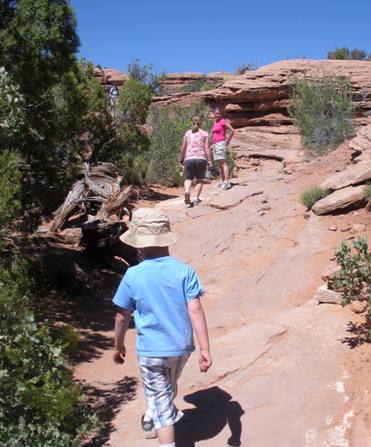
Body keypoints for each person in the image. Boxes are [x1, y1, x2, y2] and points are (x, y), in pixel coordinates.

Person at [112, 208, 212, 446]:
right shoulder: (184, 271)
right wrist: (205, 348)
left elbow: (121, 317)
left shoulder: (133, 275)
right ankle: (151, 416)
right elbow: (195, 309)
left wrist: (118, 346)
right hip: (181, 347)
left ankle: (161, 430)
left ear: (139, 245)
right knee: (167, 386)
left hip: (151, 350)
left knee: (162, 403)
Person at [179, 116, 211, 207]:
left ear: (192, 122)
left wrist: (181, 158)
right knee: (199, 179)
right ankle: (196, 198)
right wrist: (209, 160)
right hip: (201, 159)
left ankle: (187, 191)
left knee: (188, 178)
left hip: (189, 158)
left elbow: (183, 147)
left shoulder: (188, 133)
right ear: (200, 123)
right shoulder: (205, 134)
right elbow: (207, 148)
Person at [211, 107, 235, 189]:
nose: (217, 115)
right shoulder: (215, 122)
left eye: (218, 113)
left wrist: (228, 140)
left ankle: (226, 182)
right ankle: (221, 181)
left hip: (221, 143)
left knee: (223, 163)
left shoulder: (222, 122)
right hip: (215, 144)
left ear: (221, 114)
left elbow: (232, 130)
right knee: (219, 164)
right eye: (215, 113)